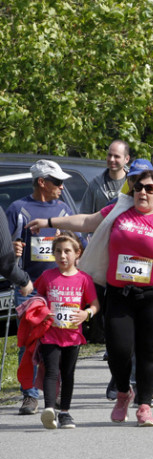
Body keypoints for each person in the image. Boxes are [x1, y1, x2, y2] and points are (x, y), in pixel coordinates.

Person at [28, 170, 153, 427]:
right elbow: (87, 221)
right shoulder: (119, 210)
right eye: (139, 188)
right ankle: (123, 392)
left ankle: (144, 405)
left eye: (150, 189)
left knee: (149, 352)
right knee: (119, 350)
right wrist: (50, 222)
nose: (142, 192)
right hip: (121, 293)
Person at [7, 159, 75, 415]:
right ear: (42, 182)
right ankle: (29, 395)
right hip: (29, 286)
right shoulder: (18, 208)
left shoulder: (64, 210)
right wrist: (13, 251)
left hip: (61, 287)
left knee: (58, 340)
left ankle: (52, 391)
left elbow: (79, 245)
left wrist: (65, 238)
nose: (61, 186)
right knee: (30, 342)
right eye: (57, 182)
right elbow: (5, 247)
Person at [36, 233, 99, 429]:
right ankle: (49, 410)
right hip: (50, 334)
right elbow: (38, 300)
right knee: (51, 372)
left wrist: (86, 314)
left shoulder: (84, 279)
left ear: (77, 253)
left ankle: (65, 412)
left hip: (72, 335)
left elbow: (95, 304)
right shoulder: (47, 276)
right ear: (53, 254)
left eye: (67, 251)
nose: (62, 256)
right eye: (58, 252)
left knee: (68, 374)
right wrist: (42, 311)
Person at [80, 140, 130, 214]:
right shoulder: (95, 185)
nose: (112, 159)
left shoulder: (134, 184)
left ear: (127, 159)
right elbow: (84, 215)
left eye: (116, 156)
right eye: (109, 155)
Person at [0, 205, 33, 296]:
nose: (61, 189)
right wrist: (24, 280)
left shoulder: (63, 208)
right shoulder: (16, 209)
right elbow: (4, 260)